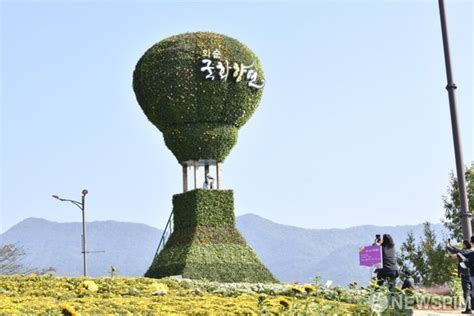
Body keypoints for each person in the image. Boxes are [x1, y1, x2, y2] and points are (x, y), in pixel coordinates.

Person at [447, 239, 473, 314]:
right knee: (471, 291)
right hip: (472, 274)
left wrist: (448, 246)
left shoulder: (462, 252)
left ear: (464, 245)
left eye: (462, 244)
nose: (461, 245)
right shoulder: (471, 251)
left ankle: (468, 309)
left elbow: (454, 251)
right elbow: (457, 250)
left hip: (465, 274)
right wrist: (451, 245)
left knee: (466, 292)